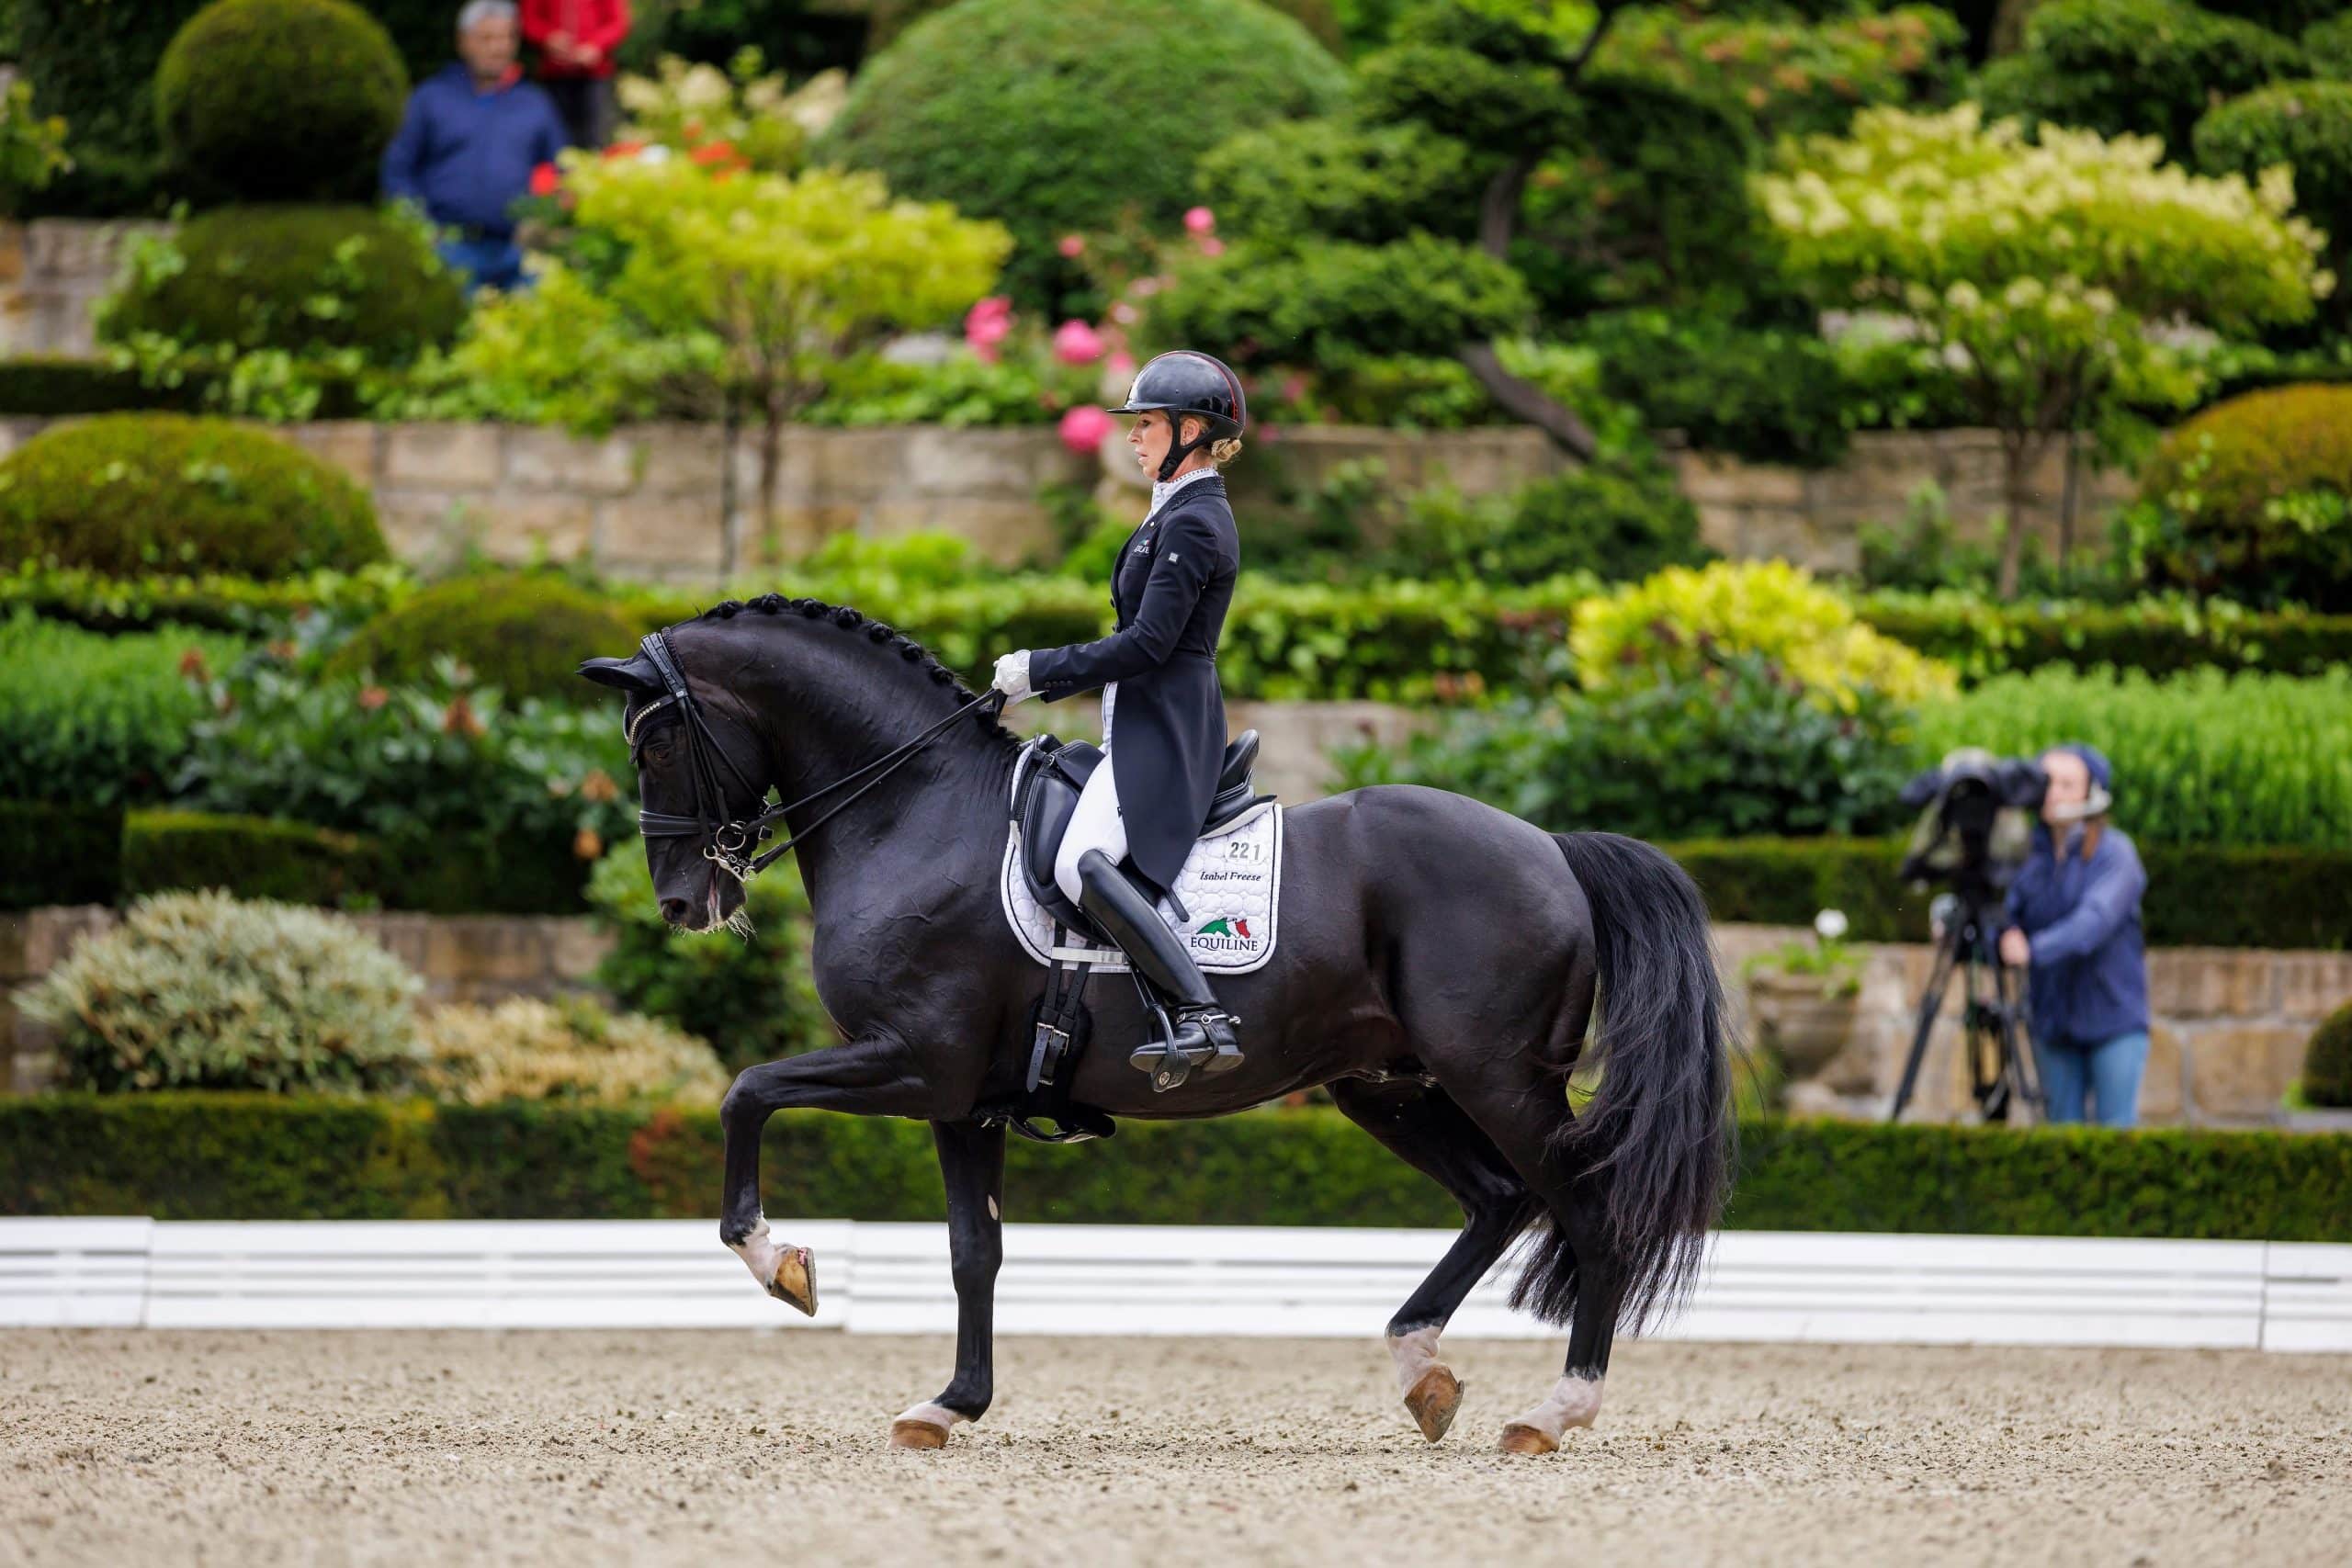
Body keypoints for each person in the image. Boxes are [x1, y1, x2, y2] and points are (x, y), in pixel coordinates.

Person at [989, 351, 1250, 1077]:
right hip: (1142, 720)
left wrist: (1039, 670)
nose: (1132, 438)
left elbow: (1147, 644)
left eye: (1146, 425)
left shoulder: (1196, 522)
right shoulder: (1176, 510)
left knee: (1079, 861)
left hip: (1167, 730)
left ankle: (1200, 1013)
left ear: (1191, 429)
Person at [1998, 743, 2151, 1127]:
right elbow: (2002, 915)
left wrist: (2032, 949)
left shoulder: (2116, 854)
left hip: (2112, 1019)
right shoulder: (2025, 856)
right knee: (2060, 1135)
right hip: (2053, 1020)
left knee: (2115, 1132)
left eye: (2068, 784)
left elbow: (2092, 924)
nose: (2055, 794)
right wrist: (2000, 935)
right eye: (2047, 783)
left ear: (2091, 792)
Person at [381, 1, 570, 294]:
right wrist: (420, 229)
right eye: (487, 38)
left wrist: (546, 219)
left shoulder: (534, 103)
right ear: (463, 42)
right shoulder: (431, 98)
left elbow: (565, 169)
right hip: (448, 248)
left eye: (507, 37)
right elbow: (397, 170)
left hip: (517, 254)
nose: (499, 48)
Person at [522, 0, 631, 150]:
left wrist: (596, 45)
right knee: (555, 139)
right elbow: (529, 21)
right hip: (554, 77)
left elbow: (618, 22)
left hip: (594, 76)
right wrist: (548, 37)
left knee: (598, 139)